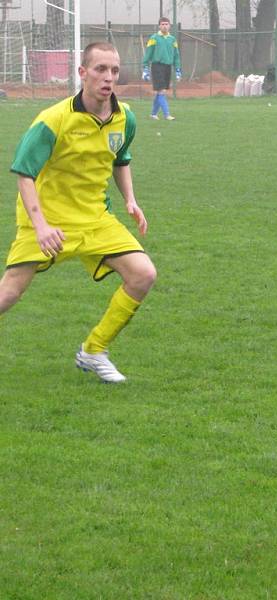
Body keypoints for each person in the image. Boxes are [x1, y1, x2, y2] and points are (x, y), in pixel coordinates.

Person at [0, 41, 157, 383]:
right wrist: (40, 226)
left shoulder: (124, 117)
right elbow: (24, 173)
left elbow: (120, 159)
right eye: (100, 69)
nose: (108, 77)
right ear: (82, 73)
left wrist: (130, 199)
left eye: (114, 71)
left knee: (143, 274)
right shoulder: (52, 120)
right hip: (47, 221)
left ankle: (94, 351)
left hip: (94, 218)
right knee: (9, 293)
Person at [142, 17, 182, 121]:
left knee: (160, 91)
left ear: (169, 26)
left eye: (166, 24)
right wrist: (145, 69)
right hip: (157, 66)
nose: (164, 26)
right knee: (161, 91)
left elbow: (176, 56)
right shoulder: (154, 38)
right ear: (159, 26)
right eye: (162, 24)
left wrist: (178, 70)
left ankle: (153, 114)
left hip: (167, 67)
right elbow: (148, 54)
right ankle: (167, 114)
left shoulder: (172, 39)